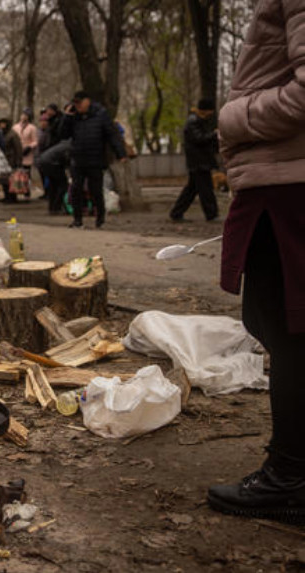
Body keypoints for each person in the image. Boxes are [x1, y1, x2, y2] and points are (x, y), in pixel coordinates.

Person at [208, 0, 305, 523]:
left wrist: (234, 117)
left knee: (288, 330)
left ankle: (290, 476)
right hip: (284, 177)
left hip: (288, 183)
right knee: (271, 322)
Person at [60, 91, 126, 229]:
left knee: (95, 190)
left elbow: (112, 134)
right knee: (76, 189)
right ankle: (77, 219)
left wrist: (121, 153)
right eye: (75, 103)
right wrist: (67, 117)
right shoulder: (74, 117)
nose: (77, 106)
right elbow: (63, 134)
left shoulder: (100, 114)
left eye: (79, 103)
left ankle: (100, 218)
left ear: (87, 101)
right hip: (77, 159)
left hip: (95, 159)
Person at [169, 99, 219, 222]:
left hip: (198, 161)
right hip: (199, 161)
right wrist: (214, 135)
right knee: (205, 189)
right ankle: (211, 214)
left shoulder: (197, 121)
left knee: (192, 189)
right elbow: (199, 139)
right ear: (206, 110)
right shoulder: (194, 122)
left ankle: (176, 213)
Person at [37, 103, 70, 214]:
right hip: (52, 160)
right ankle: (56, 206)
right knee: (61, 184)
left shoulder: (51, 127)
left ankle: (53, 207)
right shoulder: (53, 128)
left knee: (54, 185)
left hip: (48, 159)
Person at [13, 108, 38, 200]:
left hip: (27, 153)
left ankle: (27, 192)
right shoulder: (15, 127)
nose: (24, 117)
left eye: (26, 115)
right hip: (17, 152)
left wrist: (30, 147)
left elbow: (35, 141)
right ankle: (16, 190)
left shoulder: (32, 128)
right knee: (17, 172)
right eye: (23, 114)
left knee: (26, 173)